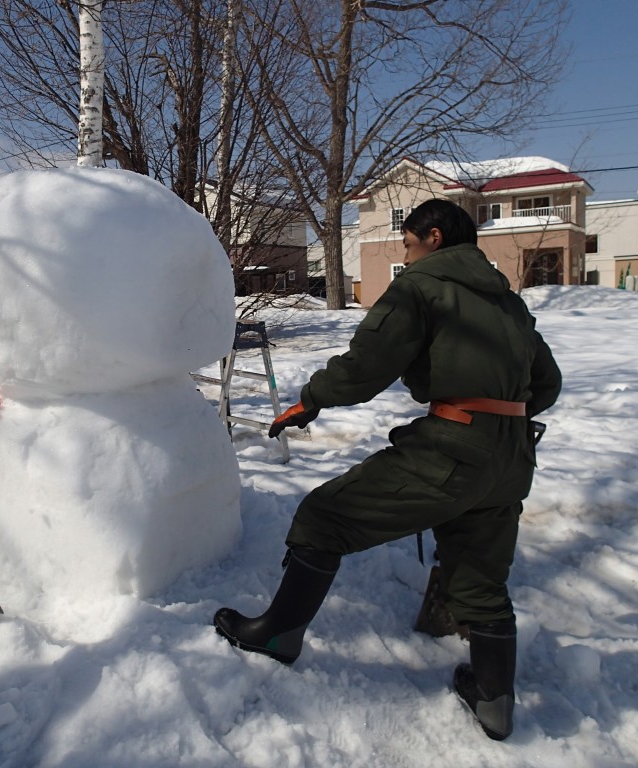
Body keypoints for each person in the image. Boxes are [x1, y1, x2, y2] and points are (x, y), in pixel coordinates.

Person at [213, 199, 562, 741]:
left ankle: (277, 636)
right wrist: (498, 420)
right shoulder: (507, 304)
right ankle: (495, 701)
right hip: (511, 458)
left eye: (407, 244)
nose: (406, 253)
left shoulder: (422, 287)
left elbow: (366, 366)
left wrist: (311, 398)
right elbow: (548, 385)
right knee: (479, 577)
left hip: (452, 449)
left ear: (435, 238)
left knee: (324, 516)